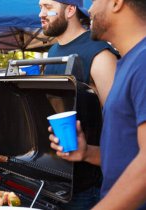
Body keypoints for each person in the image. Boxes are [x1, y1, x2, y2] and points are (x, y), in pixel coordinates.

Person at [49, 0, 146, 209]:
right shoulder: (128, 62)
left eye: (94, 1)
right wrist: (87, 153)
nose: (90, 9)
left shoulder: (143, 62)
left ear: (116, 3)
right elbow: (129, 154)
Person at [38, 0, 119, 209]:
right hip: (53, 180)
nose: (41, 13)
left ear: (71, 10)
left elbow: (121, 128)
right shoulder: (52, 52)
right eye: (40, 7)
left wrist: (89, 153)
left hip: (87, 188)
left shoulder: (99, 53)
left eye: (47, 6)